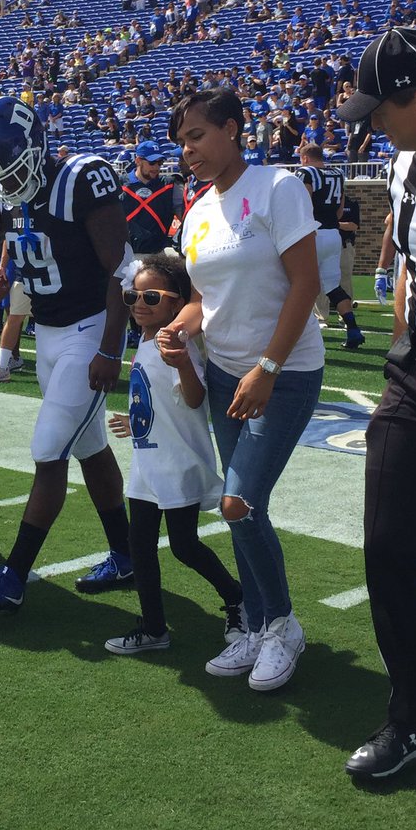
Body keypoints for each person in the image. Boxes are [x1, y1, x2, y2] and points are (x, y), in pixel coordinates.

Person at [337, 27, 416, 779]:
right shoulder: (405, 165)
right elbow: (415, 262)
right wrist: (403, 349)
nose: (370, 123)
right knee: (388, 547)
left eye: (379, 108)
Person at [170, 88, 324, 691]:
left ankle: (283, 625)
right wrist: (179, 330)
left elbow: (305, 282)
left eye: (198, 136)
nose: (188, 151)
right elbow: (202, 297)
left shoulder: (278, 187)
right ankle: (258, 625)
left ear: (233, 129)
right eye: (183, 141)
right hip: (225, 374)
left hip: (281, 374)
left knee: (239, 501)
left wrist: (268, 367)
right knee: (239, 510)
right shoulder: (200, 207)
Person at [0, 95, 133, 614]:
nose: (5, 186)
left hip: (88, 331)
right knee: (89, 448)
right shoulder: (20, 193)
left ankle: (14, 575)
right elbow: (23, 234)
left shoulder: (83, 178)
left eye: (11, 172)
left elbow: (121, 273)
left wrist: (108, 349)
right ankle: (125, 556)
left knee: (48, 449)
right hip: (50, 334)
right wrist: (6, 272)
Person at [104, 252, 244, 655]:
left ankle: (236, 597)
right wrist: (137, 421)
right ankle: (153, 628)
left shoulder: (178, 345)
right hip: (148, 462)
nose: (139, 306)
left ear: (177, 303)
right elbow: (161, 399)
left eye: (152, 298)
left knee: (184, 546)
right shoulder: (147, 341)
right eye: (134, 298)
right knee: (141, 546)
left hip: (178, 463)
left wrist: (182, 363)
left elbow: (196, 397)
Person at [296, 144, 365, 349]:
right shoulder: (337, 173)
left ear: (306, 158)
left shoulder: (305, 173)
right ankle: (352, 329)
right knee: (333, 285)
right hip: (333, 234)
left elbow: (303, 203)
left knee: (297, 283)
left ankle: (297, 334)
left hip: (313, 234)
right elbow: (340, 208)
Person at [119, 141, 181, 257]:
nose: (157, 167)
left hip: (156, 255)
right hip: (126, 256)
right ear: (138, 161)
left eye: (160, 163)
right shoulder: (119, 184)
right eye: (152, 163)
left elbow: (185, 217)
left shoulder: (169, 186)